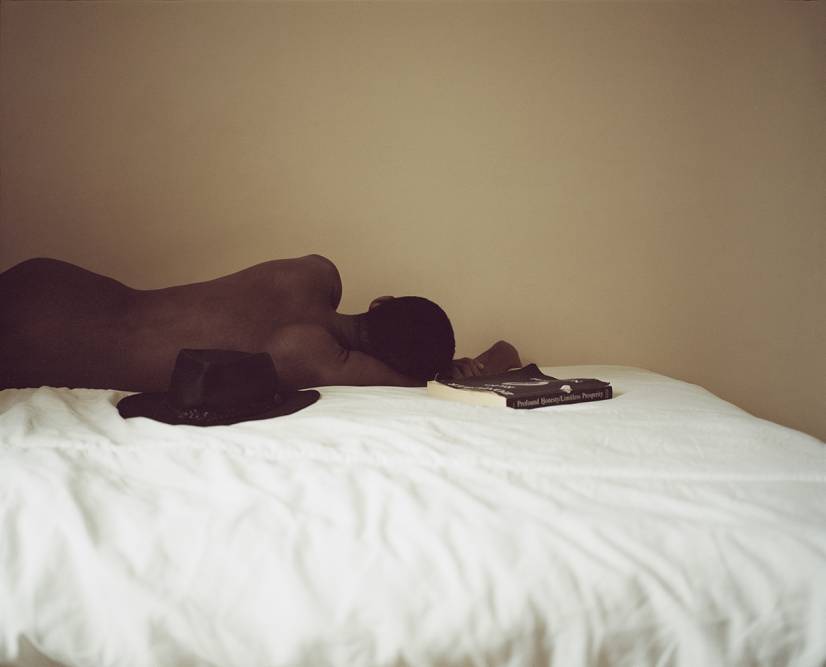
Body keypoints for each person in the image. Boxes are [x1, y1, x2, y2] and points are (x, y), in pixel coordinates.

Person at [0, 255, 521, 392]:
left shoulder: (316, 274)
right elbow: (415, 383)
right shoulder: (312, 355)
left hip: (56, 284)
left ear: (381, 301)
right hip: (47, 348)